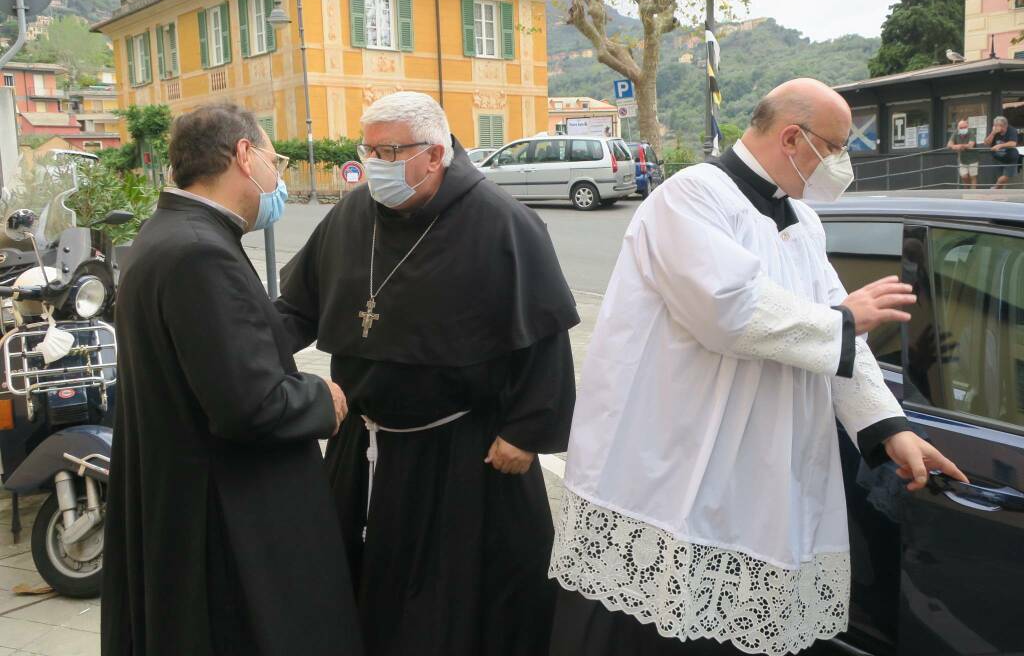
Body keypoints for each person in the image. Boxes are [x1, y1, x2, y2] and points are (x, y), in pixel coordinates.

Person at [548, 78, 967, 656]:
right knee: (660, 620)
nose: (843, 163)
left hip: (766, 462)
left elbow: (839, 342)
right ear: (793, 138)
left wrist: (889, 428)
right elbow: (727, 310)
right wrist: (843, 319)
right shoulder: (692, 196)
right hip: (680, 456)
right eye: (838, 146)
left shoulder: (803, 221)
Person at [274, 91, 579, 656]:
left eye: (390, 151)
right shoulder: (350, 215)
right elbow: (297, 309)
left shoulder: (502, 222)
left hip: (461, 451)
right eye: (368, 150)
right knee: (357, 581)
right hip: (361, 443)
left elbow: (544, 338)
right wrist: (245, 355)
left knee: (453, 602)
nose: (375, 164)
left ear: (436, 154)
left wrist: (527, 431)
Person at [102, 105, 363, 656]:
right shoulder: (200, 252)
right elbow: (250, 405)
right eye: (275, 160)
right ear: (244, 156)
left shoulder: (170, 234)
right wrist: (323, 399)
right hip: (225, 513)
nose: (278, 177)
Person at [985, 115, 1020, 189]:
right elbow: (987, 143)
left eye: (999, 125)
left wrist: (999, 146)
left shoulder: (1011, 130)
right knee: (1001, 180)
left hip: (1010, 158)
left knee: (1004, 178)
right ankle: (1000, 197)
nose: (996, 127)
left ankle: (995, 188)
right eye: (995, 125)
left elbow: (1013, 143)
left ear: (1005, 125)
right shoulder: (994, 131)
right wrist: (993, 133)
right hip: (998, 159)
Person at [947, 119, 978, 187]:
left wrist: (960, 146)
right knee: (964, 176)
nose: (963, 129)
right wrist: (955, 146)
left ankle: (973, 193)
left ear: (967, 127)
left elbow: (971, 145)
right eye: (961, 128)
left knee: (973, 176)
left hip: (973, 159)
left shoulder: (971, 132)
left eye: (964, 127)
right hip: (962, 159)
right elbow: (949, 144)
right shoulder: (956, 133)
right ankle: (967, 190)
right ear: (958, 128)